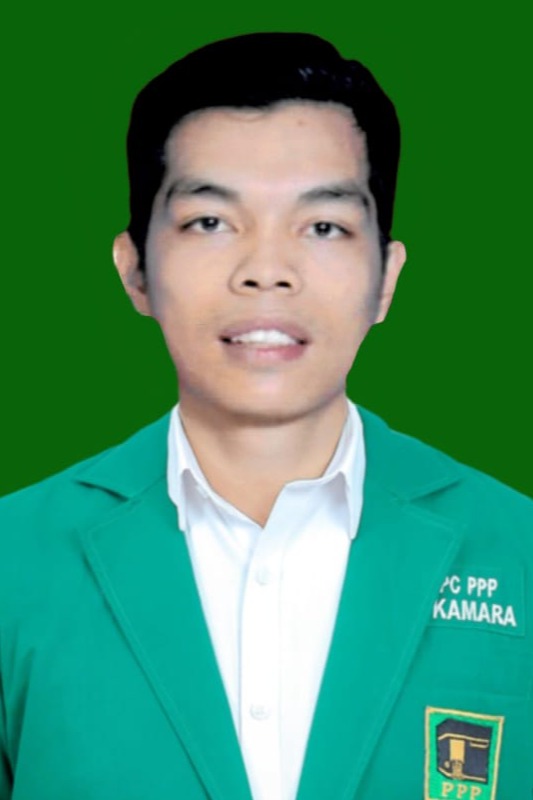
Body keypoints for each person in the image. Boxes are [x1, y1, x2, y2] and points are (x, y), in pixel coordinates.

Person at [0, 32, 531, 800]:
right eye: (210, 222)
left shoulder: (516, 549)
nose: (267, 271)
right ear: (134, 269)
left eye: (323, 226)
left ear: (385, 278)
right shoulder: (13, 561)